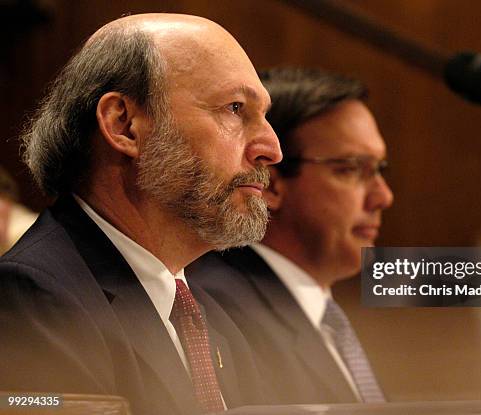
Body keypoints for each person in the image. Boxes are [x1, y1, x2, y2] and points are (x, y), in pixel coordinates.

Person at [0, 14, 281, 415]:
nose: (271, 148)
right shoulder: (34, 299)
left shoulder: (209, 317)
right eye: (235, 109)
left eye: (264, 115)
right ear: (124, 125)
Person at [188, 67, 394, 404]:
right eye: (351, 169)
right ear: (271, 183)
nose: (383, 197)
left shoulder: (325, 314)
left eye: (380, 169)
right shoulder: (223, 314)